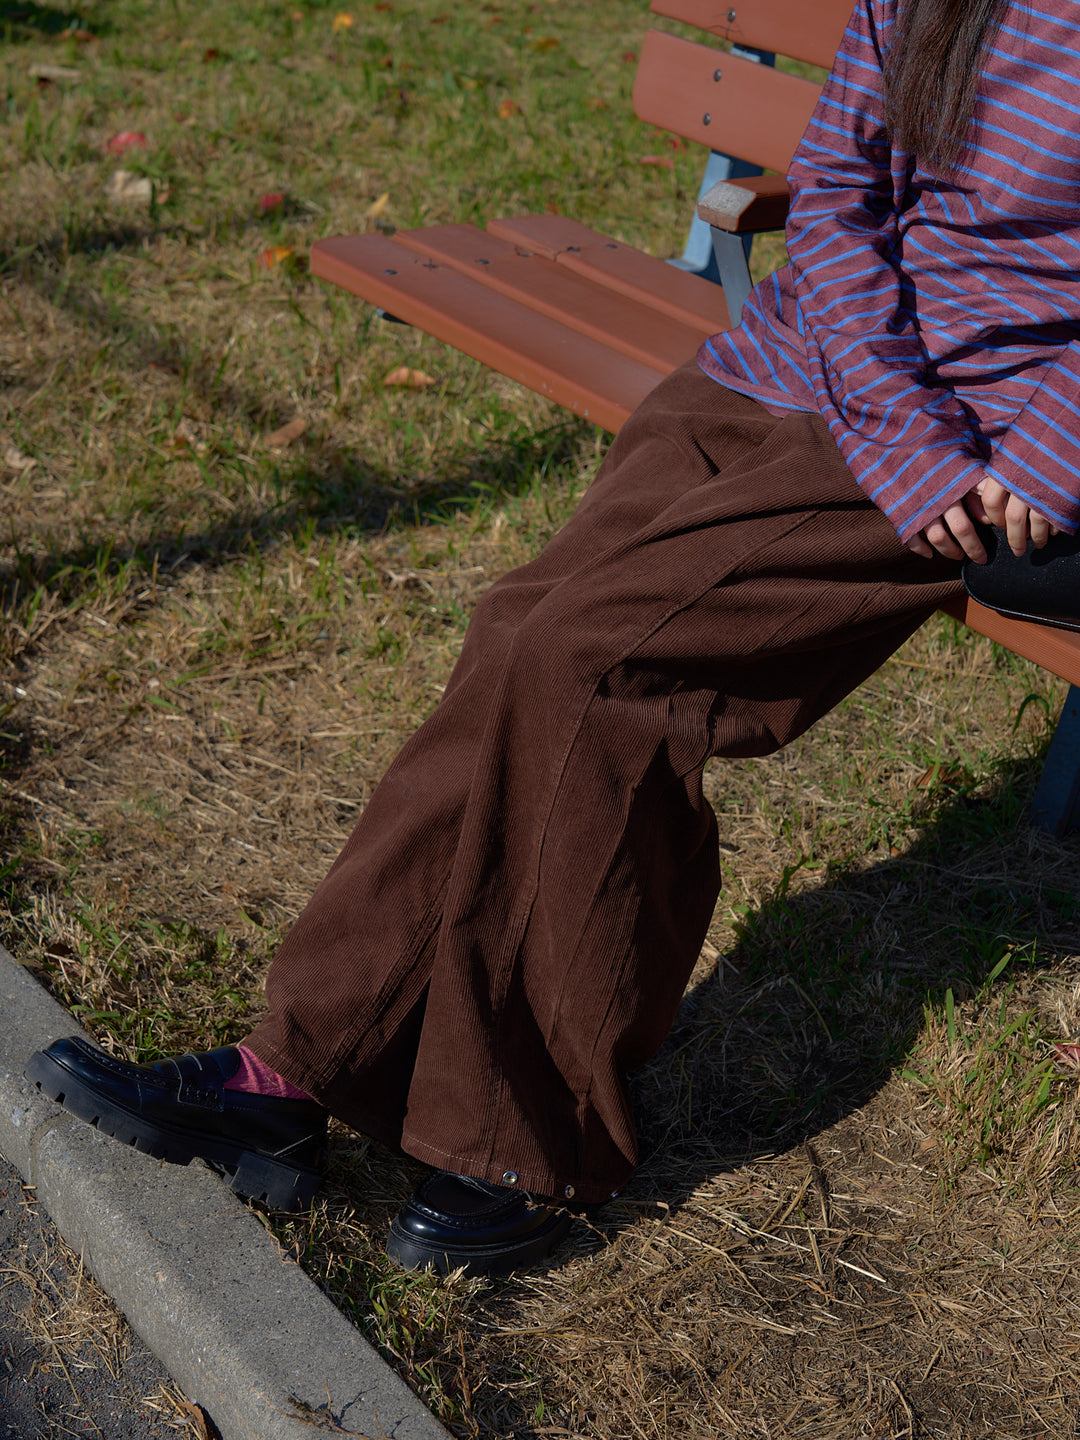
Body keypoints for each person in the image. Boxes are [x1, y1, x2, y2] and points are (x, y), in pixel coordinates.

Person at [25, 0, 1079, 1277]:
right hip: (801, 369)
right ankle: (293, 1073)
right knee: (518, 629)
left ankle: (530, 1136)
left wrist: (1039, 449)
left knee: (598, 670)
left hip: (977, 448)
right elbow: (843, 199)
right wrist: (892, 409)